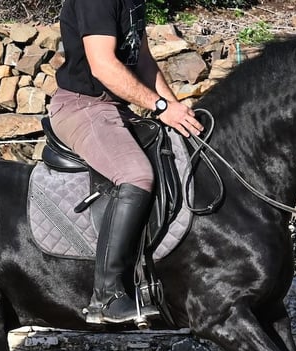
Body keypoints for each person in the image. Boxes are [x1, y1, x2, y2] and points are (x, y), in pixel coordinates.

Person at [49, 0, 204, 326]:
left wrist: (176, 111)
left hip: (116, 108)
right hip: (83, 106)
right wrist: (160, 106)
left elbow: (142, 59)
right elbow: (103, 66)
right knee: (135, 174)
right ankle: (106, 297)